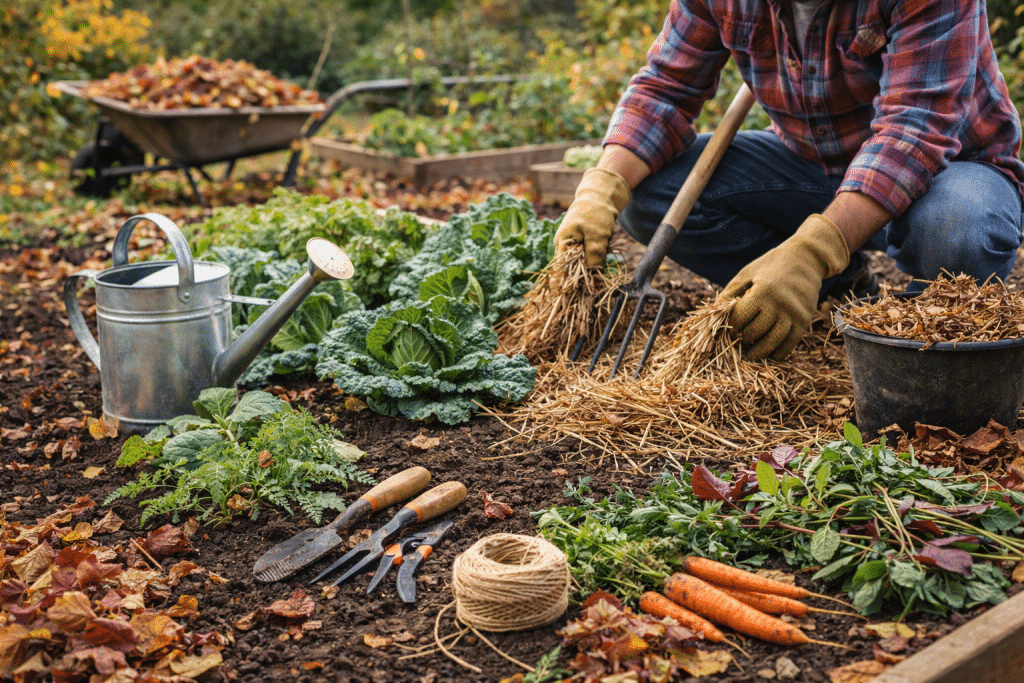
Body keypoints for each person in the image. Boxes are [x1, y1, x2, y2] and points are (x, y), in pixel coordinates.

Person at [554, 0, 1024, 361]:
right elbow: (665, 88)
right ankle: (835, 293)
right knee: (649, 192)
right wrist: (602, 184)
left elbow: (915, 129)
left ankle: (914, 346)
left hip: (945, 175)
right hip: (811, 168)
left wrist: (814, 248)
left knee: (961, 229)